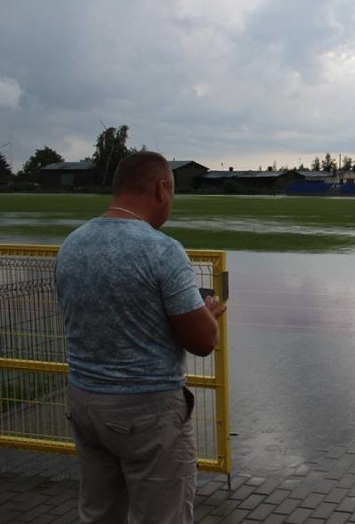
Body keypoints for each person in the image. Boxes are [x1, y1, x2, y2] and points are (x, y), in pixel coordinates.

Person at [56, 151, 226, 524]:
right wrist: (209, 317)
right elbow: (201, 343)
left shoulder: (72, 245)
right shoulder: (162, 251)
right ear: (162, 188)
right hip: (147, 412)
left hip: (85, 403)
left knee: (99, 512)